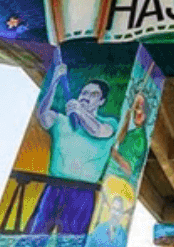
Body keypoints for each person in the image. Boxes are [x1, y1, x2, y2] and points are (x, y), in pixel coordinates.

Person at [26, 61, 117, 235]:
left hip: (83, 193)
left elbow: (98, 131)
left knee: (69, 243)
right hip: (53, 188)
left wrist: (80, 112)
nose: (86, 96)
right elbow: (43, 115)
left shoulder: (109, 123)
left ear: (101, 101)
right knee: (36, 237)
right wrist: (54, 81)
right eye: (84, 92)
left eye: (94, 94)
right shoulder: (61, 120)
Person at [110, 91, 149, 180]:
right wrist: (126, 122)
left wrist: (114, 154)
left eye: (140, 108)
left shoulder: (140, 139)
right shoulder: (133, 132)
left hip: (119, 180)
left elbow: (128, 170)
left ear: (145, 115)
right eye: (136, 106)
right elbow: (120, 141)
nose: (137, 111)